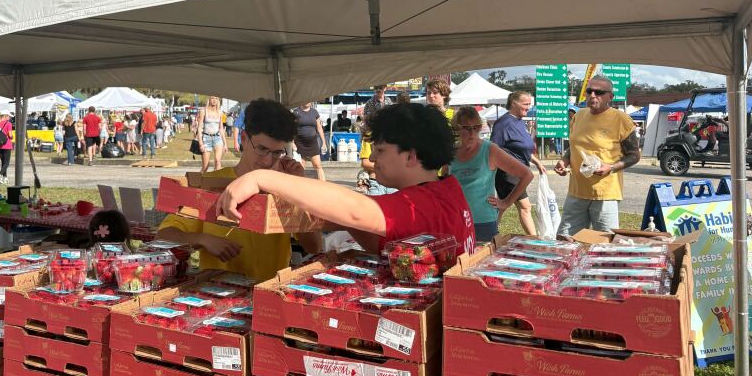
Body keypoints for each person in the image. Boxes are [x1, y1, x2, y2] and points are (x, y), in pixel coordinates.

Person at [216, 103, 475, 256]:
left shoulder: (419, 203)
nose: (372, 157)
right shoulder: (447, 188)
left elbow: (355, 209)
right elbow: (373, 238)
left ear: (410, 157)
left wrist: (261, 177)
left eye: (381, 150)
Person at [158, 98, 321, 281]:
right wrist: (203, 239)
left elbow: (315, 247)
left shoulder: (284, 188)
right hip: (218, 295)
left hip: (268, 296)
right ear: (243, 139)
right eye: (261, 149)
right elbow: (164, 235)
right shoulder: (211, 184)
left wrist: (298, 189)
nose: (268, 161)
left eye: (276, 153)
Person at [555, 76, 640, 235]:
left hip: (605, 194)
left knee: (605, 245)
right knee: (565, 239)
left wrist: (612, 168)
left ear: (610, 97)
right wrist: (564, 160)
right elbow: (575, 146)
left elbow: (634, 155)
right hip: (576, 192)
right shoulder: (578, 116)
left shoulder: (621, 119)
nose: (593, 95)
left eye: (599, 92)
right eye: (589, 91)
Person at [449, 107, 532, 242]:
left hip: (483, 221)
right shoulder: (452, 152)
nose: (472, 133)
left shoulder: (490, 150)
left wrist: (506, 202)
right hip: (457, 219)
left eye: (476, 128)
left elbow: (527, 175)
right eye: (467, 128)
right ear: (458, 128)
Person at [489, 91, 545, 235]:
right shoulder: (503, 124)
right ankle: (534, 240)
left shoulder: (519, 121)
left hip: (518, 172)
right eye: (525, 104)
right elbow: (493, 149)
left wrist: (537, 162)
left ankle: (488, 235)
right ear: (514, 103)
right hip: (508, 173)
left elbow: (520, 147)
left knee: (501, 207)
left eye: (529, 104)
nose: (528, 107)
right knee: (524, 207)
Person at [293, 102, 327, 181]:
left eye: (310, 100)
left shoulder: (314, 112)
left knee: (318, 166)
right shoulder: (296, 112)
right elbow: (292, 128)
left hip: (313, 143)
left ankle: (324, 186)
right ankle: (300, 187)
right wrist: (292, 142)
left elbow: (319, 128)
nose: (308, 102)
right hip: (300, 143)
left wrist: (324, 143)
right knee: (300, 167)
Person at [197, 96, 226, 172]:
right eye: (212, 98)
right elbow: (199, 128)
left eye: (216, 98)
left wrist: (225, 144)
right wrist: (201, 143)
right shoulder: (203, 111)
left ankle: (216, 181)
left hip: (217, 138)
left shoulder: (220, 112)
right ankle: (200, 181)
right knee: (205, 165)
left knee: (218, 161)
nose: (214, 100)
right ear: (209, 100)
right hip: (206, 139)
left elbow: (221, 129)